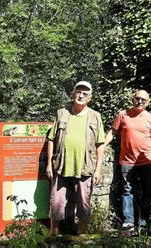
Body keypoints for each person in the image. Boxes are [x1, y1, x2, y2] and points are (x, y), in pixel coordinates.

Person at [46, 81, 105, 236]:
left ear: (89, 98)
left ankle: (82, 235)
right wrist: (48, 164)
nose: (81, 95)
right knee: (56, 201)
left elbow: (100, 145)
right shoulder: (62, 113)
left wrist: (98, 170)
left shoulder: (95, 117)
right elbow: (51, 139)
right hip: (61, 164)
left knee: (84, 201)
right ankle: (53, 233)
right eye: (78, 92)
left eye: (85, 94)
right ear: (73, 94)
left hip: (85, 166)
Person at [103, 90, 151, 230]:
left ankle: (144, 221)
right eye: (137, 98)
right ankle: (129, 221)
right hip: (127, 161)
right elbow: (113, 132)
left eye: (143, 100)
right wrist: (102, 145)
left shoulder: (150, 118)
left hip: (146, 161)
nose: (139, 102)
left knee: (147, 191)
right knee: (127, 191)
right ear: (132, 99)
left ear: (147, 102)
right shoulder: (123, 114)